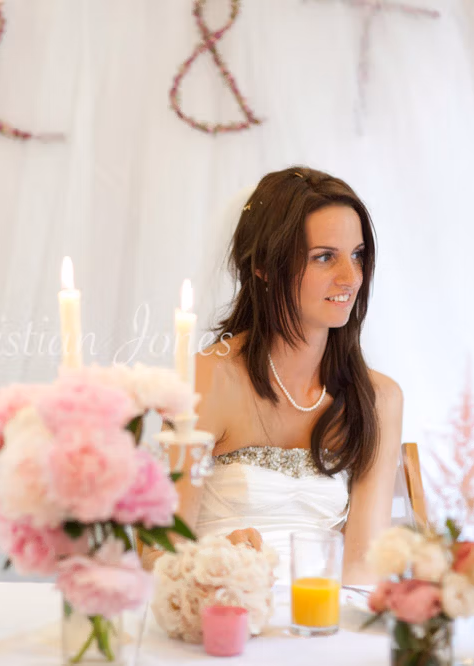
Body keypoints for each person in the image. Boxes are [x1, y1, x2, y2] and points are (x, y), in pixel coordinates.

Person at [155, 167, 403, 584]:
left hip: (320, 622)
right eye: (325, 257)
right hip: (220, 615)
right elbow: (160, 548)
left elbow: (363, 566)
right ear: (265, 268)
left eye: (357, 255)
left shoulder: (379, 398)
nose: (351, 278)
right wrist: (213, 560)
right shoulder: (206, 379)